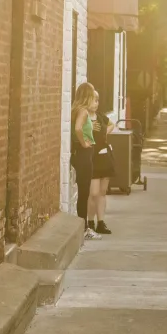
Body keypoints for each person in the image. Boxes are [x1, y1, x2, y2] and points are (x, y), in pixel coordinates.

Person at [71, 83, 99, 240]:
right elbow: (77, 129)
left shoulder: (76, 110)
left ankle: (83, 226)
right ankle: (84, 228)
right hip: (84, 154)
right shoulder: (83, 111)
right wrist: (84, 143)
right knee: (84, 192)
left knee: (83, 191)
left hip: (80, 154)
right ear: (87, 96)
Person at [89, 104, 115, 235]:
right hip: (92, 158)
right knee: (93, 193)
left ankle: (100, 222)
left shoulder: (101, 117)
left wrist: (104, 132)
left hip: (104, 156)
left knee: (102, 192)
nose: (95, 103)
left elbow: (112, 124)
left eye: (97, 100)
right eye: (92, 99)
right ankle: (89, 222)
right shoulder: (83, 117)